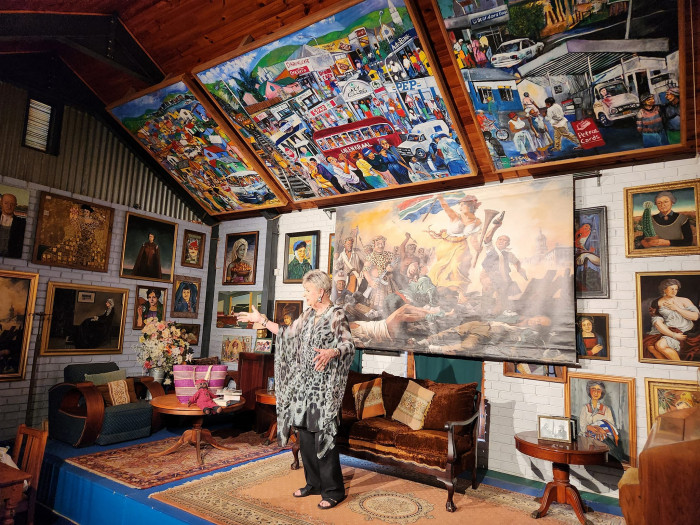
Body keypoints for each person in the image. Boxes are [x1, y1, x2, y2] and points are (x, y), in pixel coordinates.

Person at [238, 270, 354, 510]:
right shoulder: (307, 315)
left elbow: (348, 345)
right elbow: (286, 333)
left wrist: (332, 352)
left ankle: (334, 490)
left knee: (324, 436)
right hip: (303, 387)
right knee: (305, 437)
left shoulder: (337, 315)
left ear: (320, 291)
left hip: (324, 389)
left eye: (307, 291)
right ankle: (314, 484)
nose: (305, 295)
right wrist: (261, 320)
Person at [642, 279, 700, 361]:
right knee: (650, 347)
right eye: (671, 289)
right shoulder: (657, 303)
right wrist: (673, 335)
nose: (674, 291)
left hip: (685, 330)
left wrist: (677, 308)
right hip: (668, 330)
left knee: (660, 345)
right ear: (664, 289)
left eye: (676, 289)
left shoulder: (685, 300)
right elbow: (657, 322)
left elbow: (695, 317)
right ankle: (672, 366)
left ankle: (678, 366)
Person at [578, 380, 627, 464]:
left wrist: (602, 430)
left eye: (598, 390)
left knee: (610, 449)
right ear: (589, 391)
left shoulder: (606, 409)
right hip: (587, 437)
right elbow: (582, 426)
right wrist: (589, 427)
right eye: (593, 389)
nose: (596, 392)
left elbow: (611, 425)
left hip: (603, 436)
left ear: (602, 392)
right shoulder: (585, 408)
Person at [0, 192, 26, 258]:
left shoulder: (21, 223)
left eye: (12, 204)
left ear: (15, 205)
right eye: (6, 203)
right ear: (1, 203)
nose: (9, 206)